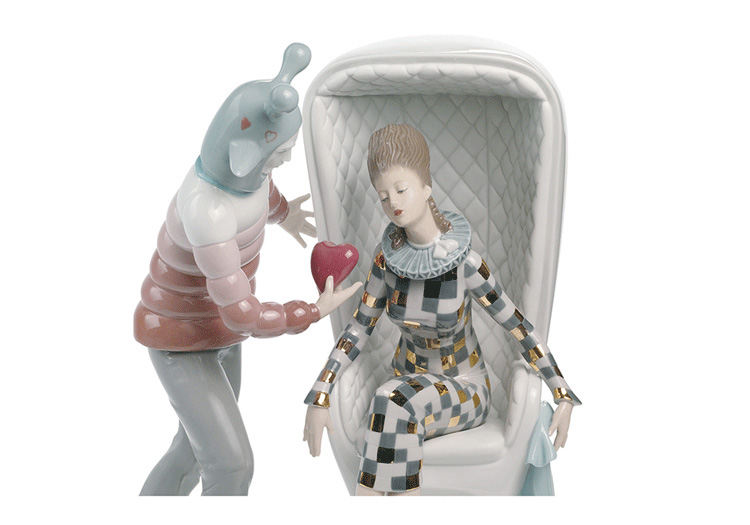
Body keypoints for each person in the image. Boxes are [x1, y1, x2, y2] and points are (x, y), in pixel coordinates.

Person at [303, 124, 580, 495]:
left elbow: (517, 326)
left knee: (391, 400)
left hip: (464, 388)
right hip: (405, 384)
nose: (393, 202)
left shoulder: (464, 263)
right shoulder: (386, 262)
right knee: (392, 402)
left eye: (401, 189)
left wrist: (561, 392)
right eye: (383, 196)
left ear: (426, 188)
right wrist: (321, 393)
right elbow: (358, 329)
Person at [134, 43, 360, 496]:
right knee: (231, 466)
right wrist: (313, 310)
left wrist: (285, 214)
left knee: (191, 452)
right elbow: (244, 314)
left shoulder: (245, 172)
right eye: (279, 152)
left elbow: (262, 192)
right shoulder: (208, 212)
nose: (285, 160)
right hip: (181, 338)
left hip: (219, 333)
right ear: (243, 154)